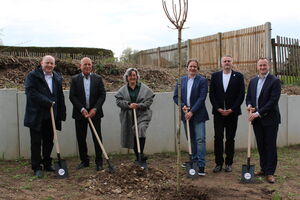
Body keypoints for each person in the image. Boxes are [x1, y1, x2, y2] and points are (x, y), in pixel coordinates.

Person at [24, 55, 66, 178]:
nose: (49, 65)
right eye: (47, 62)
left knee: (49, 142)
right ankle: (37, 167)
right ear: (41, 63)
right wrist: (47, 101)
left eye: (51, 63)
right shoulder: (33, 76)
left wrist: (62, 112)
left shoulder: (57, 78)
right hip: (36, 115)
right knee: (36, 142)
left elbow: (60, 96)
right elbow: (30, 92)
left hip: (51, 116)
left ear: (54, 65)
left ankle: (47, 164)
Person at [246, 58, 281, 184]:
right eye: (260, 65)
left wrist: (257, 113)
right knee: (261, 145)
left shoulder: (275, 81)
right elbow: (249, 97)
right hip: (257, 121)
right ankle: (263, 169)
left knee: (270, 145)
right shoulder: (253, 81)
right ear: (257, 67)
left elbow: (273, 101)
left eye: (264, 65)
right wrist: (249, 105)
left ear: (269, 66)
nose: (262, 67)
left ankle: (270, 172)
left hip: (270, 119)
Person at [209, 55, 245, 173]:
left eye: (229, 61)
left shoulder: (238, 76)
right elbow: (212, 94)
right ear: (221, 63)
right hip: (218, 113)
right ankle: (218, 163)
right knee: (218, 138)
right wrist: (218, 108)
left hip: (232, 114)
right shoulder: (215, 76)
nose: (227, 63)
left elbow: (241, 95)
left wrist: (232, 109)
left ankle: (229, 163)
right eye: (225, 61)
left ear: (232, 63)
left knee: (230, 139)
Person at [173, 59, 209, 176]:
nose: (192, 68)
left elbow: (201, 97)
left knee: (200, 139)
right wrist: (183, 106)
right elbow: (176, 96)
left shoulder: (202, 81)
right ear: (187, 67)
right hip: (185, 115)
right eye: (190, 66)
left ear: (197, 69)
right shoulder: (180, 80)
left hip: (198, 115)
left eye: (195, 67)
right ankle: (193, 161)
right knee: (191, 139)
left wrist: (192, 111)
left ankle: (201, 164)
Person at [69, 57, 106, 171]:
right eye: (85, 64)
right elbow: (72, 96)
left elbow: (102, 95)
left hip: (95, 113)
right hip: (81, 114)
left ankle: (99, 162)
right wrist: (81, 109)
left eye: (89, 64)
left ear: (91, 66)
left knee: (97, 138)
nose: (87, 66)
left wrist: (95, 109)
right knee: (81, 138)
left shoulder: (98, 79)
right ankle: (84, 161)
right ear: (80, 66)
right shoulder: (74, 79)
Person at [115, 68, 155, 163]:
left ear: (137, 77)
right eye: (130, 75)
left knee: (141, 129)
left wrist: (139, 105)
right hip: (129, 116)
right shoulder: (123, 90)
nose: (132, 77)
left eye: (134, 75)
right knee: (132, 134)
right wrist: (128, 105)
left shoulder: (144, 88)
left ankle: (140, 154)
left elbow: (149, 100)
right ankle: (139, 156)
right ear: (127, 77)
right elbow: (118, 101)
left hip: (142, 114)